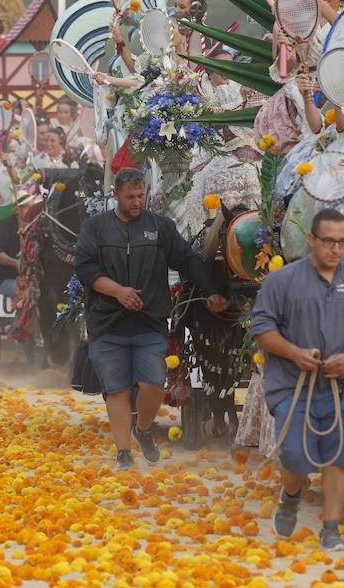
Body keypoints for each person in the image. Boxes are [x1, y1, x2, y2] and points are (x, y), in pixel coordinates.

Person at [74, 168, 228, 471]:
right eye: (130, 197)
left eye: (141, 195)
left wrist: (212, 290)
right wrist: (118, 292)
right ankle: (123, 453)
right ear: (115, 195)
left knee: (153, 385)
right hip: (107, 324)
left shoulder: (160, 228)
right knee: (117, 390)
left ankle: (142, 430)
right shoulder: (96, 228)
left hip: (150, 322)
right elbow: (86, 269)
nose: (136, 202)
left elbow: (186, 260)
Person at [250, 208, 344, 549]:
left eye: (343, 242)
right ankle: (291, 494)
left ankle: (332, 529)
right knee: (293, 455)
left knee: (339, 454)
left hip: (343, 386)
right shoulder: (282, 281)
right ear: (311, 240)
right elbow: (263, 329)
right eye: (329, 242)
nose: (336, 249)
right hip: (292, 386)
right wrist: (295, 353)